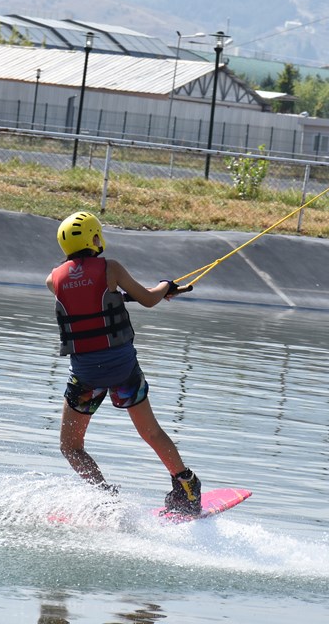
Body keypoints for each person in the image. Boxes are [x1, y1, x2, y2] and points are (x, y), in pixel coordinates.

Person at [46, 211, 202, 515]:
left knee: (70, 446)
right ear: (94, 238)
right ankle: (187, 486)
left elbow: (89, 299)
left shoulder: (53, 280)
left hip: (86, 377)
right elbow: (147, 298)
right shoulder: (111, 268)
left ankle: (107, 497)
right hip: (123, 370)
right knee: (151, 432)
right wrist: (164, 286)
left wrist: (119, 296)